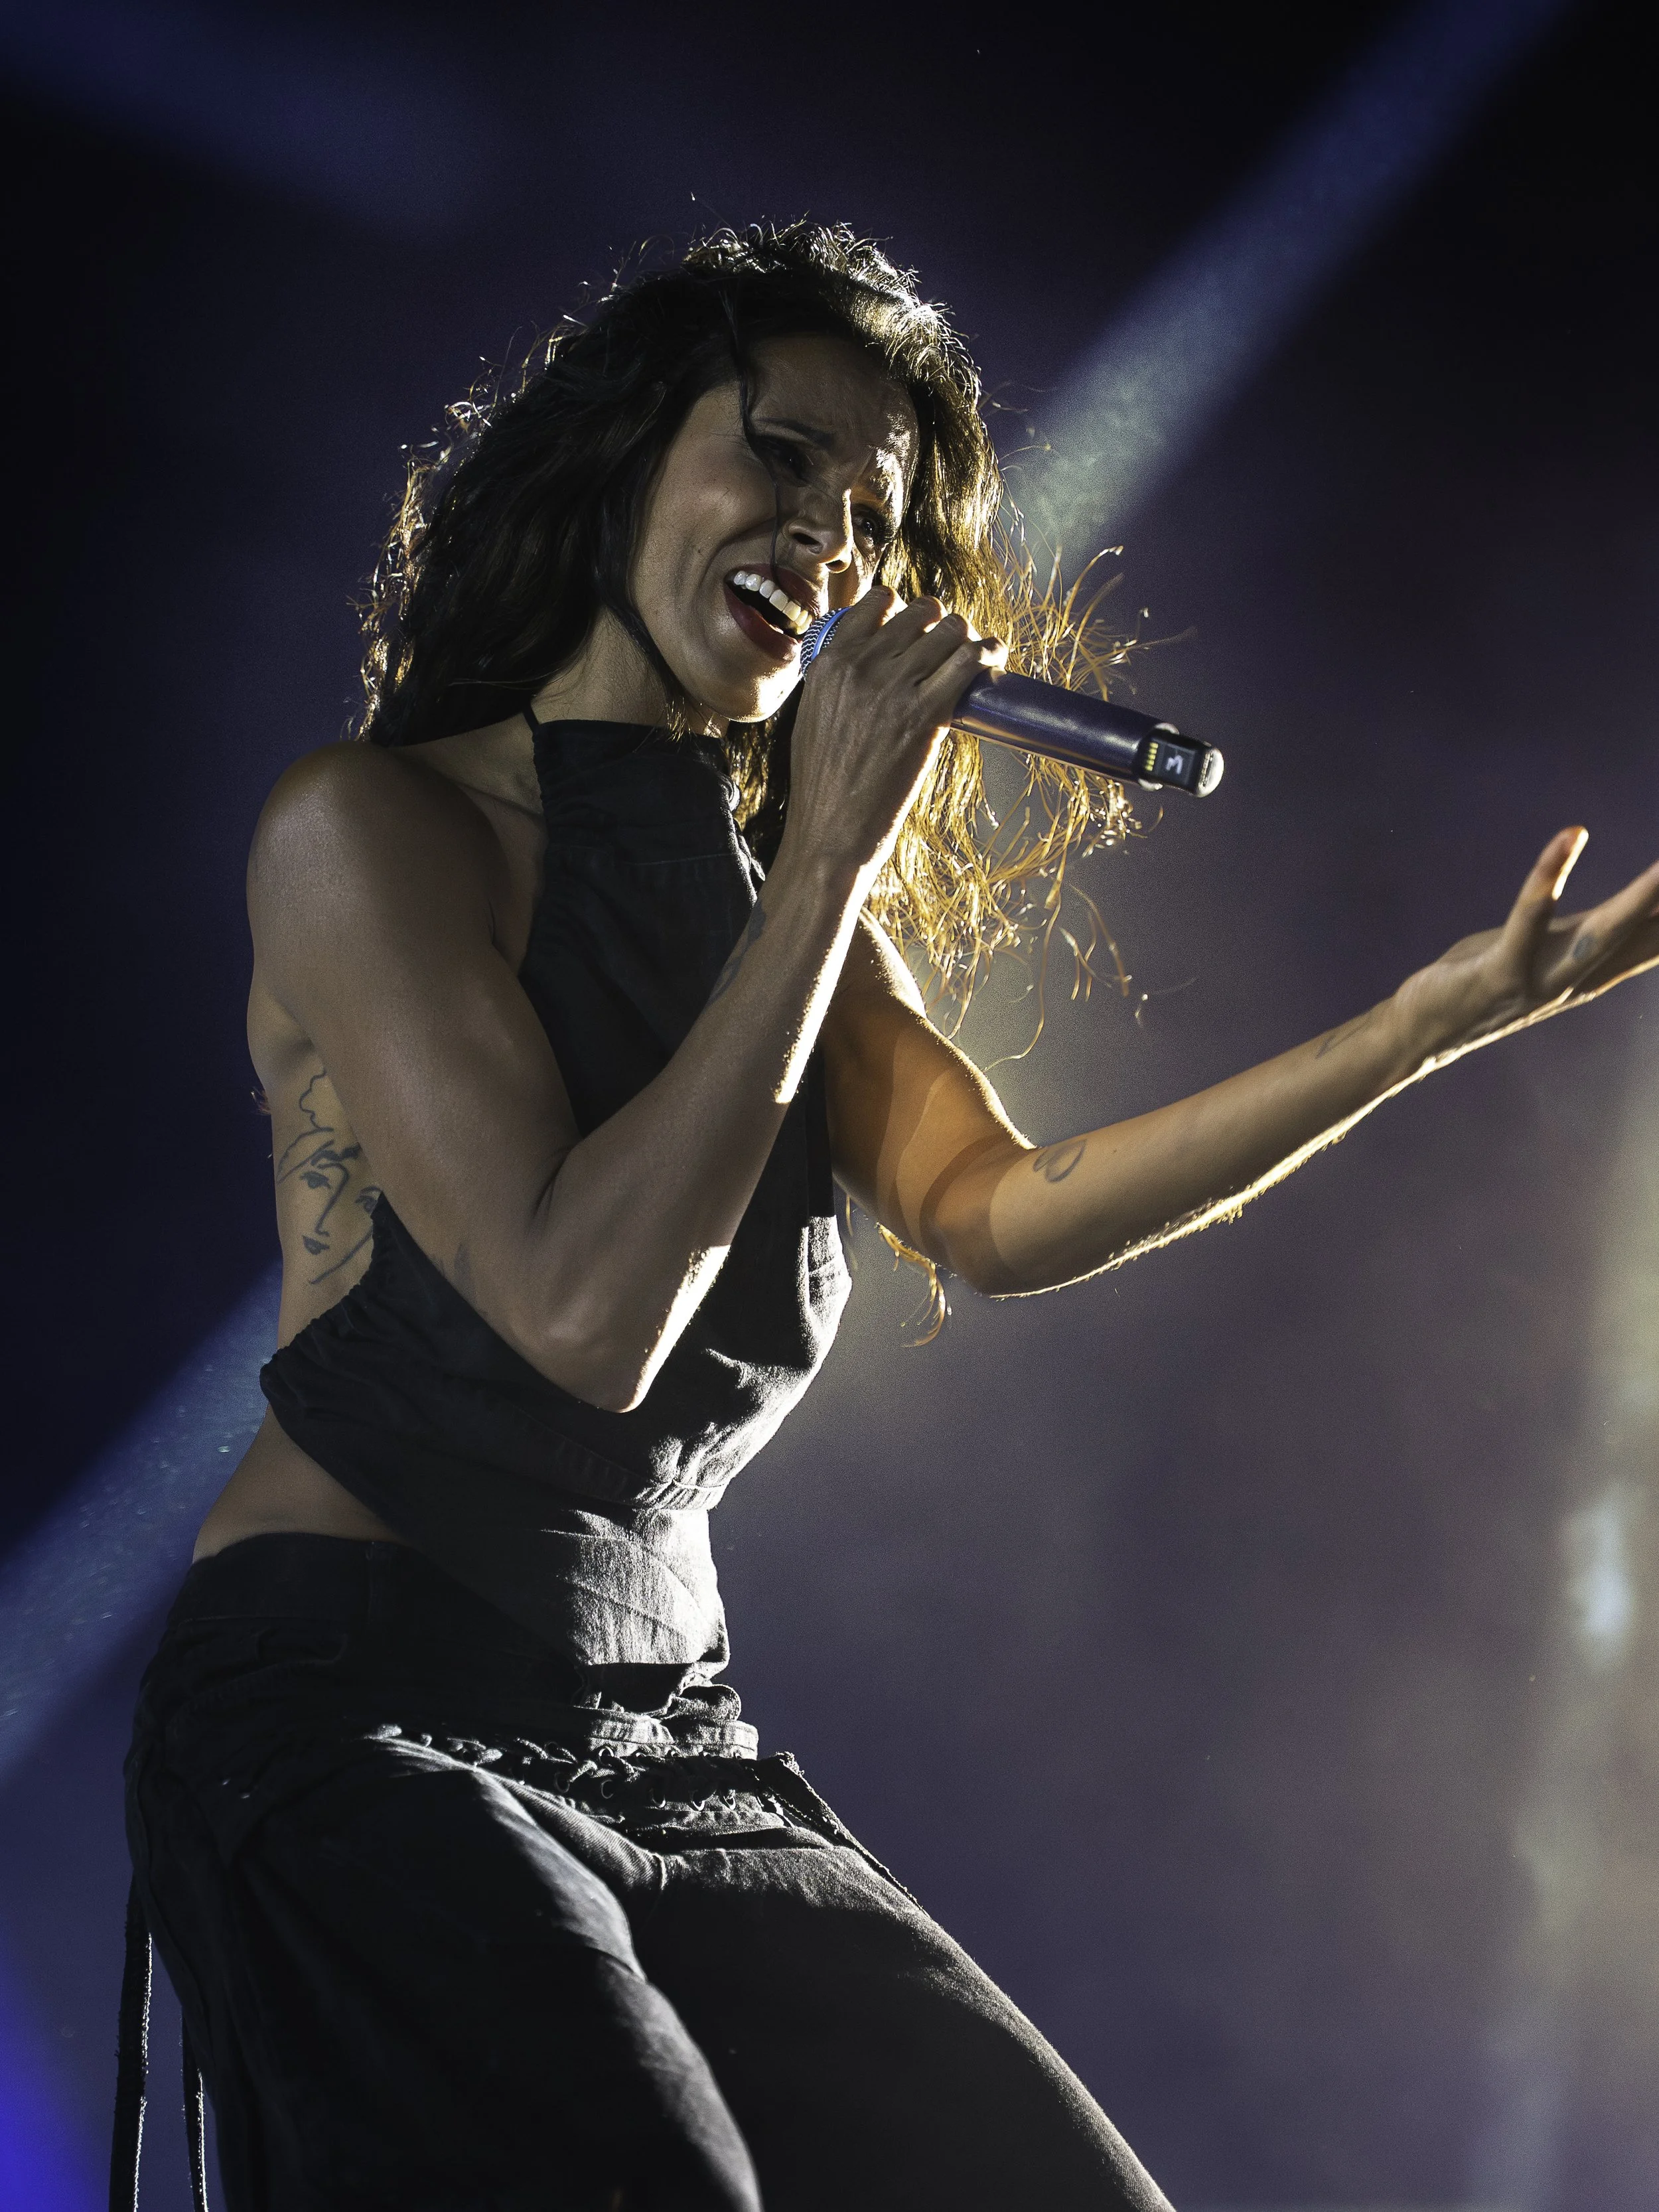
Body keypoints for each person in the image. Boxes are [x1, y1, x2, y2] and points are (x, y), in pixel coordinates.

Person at [119, 221, 1658, 2212]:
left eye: (874, 521)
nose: (829, 545)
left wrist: (1420, 1028)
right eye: (778, 459)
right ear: (620, 452)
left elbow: (1002, 1212)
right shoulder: (371, 828)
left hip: (669, 1723)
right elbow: (577, 1311)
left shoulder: (782, 913)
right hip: (356, 1707)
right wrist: (823, 847)